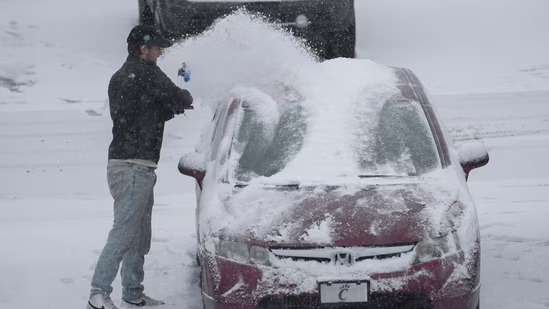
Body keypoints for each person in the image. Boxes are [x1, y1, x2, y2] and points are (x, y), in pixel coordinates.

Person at [87, 25, 193, 309]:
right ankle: (98, 293)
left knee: (138, 234)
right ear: (143, 48)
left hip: (133, 165)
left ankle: (133, 292)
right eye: (157, 47)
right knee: (124, 232)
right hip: (132, 167)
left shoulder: (124, 76)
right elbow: (175, 96)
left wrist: (175, 105)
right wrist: (185, 97)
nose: (161, 52)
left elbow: (147, 114)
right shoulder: (145, 72)